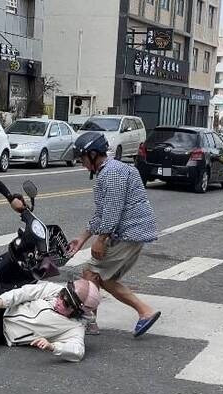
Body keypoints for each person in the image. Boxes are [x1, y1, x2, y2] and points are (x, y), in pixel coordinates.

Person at [67, 131, 161, 338]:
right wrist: (82, 237)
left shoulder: (112, 173)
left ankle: (91, 321)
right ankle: (95, 320)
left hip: (128, 232)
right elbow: (102, 212)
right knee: (104, 278)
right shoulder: (112, 170)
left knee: (92, 273)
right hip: (131, 232)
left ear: (92, 154)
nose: (81, 163)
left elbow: (112, 210)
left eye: (82, 158)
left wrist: (100, 240)